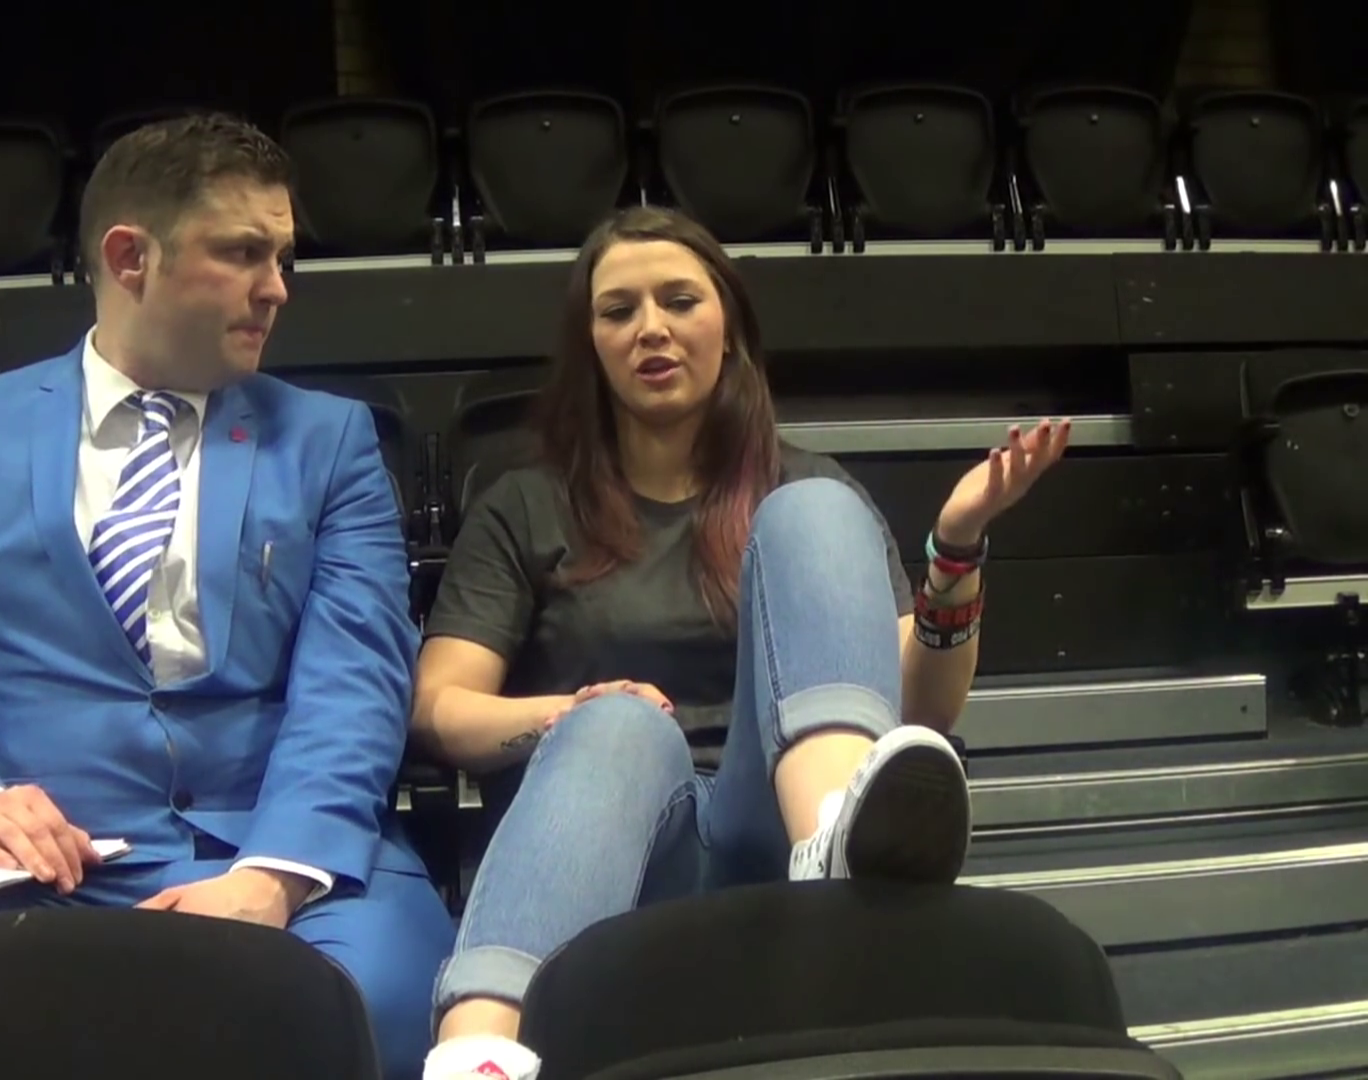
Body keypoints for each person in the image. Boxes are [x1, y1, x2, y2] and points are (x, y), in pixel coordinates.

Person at [0, 112, 455, 1080]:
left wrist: (271, 881)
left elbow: (357, 687)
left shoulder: (330, 442)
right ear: (131, 258)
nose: (277, 288)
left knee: (363, 1005)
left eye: (282, 257)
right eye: (243, 253)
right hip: (37, 865)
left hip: (282, 856)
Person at [410, 205, 1071, 1080]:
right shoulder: (525, 505)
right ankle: (477, 1057)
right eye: (618, 311)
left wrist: (953, 555)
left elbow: (923, 708)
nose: (651, 328)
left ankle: (834, 834)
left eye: (680, 300)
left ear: (729, 328)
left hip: (773, 830)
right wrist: (566, 712)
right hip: (617, 839)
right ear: (591, 345)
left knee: (810, 511)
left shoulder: (812, 490)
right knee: (619, 726)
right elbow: (441, 708)